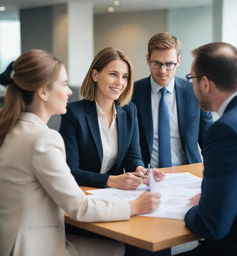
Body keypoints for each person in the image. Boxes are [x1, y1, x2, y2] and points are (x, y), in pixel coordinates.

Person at [0, 49, 161, 256]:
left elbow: (132, 156)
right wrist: (134, 206)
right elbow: (78, 207)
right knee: (123, 249)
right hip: (33, 246)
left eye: (125, 76)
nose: (69, 92)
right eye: (64, 84)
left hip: (14, 239)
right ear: (43, 91)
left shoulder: (11, 129)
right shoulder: (43, 139)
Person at [176, 42, 237, 256]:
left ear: (205, 83)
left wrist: (192, 209)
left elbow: (212, 226)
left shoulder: (225, 130)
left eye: (191, 79)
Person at [59, 47, 164, 189]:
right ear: (95, 75)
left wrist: (140, 169)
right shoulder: (73, 113)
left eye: (125, 77)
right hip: (83, 192)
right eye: (113, 74)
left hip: (115, 194)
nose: (119, 83)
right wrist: (110, 180)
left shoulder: (129, 111)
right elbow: (70, 170)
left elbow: (132, 157)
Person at [132, 32, 213, 168]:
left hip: (188, 175)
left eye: (169, 64)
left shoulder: (195, 92)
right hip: (147, 178)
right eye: (156, 63)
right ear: (148, 59)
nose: (163, 71)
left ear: (179, 61)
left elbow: (209, 142)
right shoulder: (133, 93)